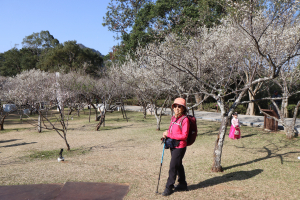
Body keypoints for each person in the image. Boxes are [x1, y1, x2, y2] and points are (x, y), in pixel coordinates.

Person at [162, 98, 190, 196]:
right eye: (175, 106)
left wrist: (169, 134)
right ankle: (182, 184)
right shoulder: (173, 118)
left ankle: (169, 187)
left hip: (180, 146)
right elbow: (172, 131)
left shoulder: (185, 119)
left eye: (179, 106)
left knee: (173, 166)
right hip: (173, 144)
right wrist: (166, 134)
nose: (177, 108)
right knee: (178, 164)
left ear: (183, 108)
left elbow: (184, 136)